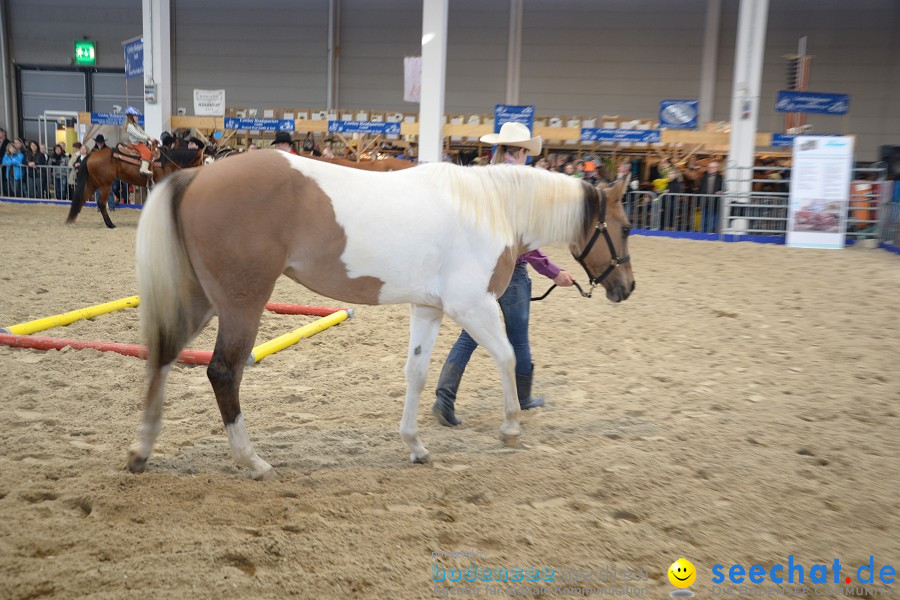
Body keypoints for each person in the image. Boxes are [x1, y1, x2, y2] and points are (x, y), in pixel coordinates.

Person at [432, 121, 576, 428]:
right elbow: (525, 242)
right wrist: (554, 273)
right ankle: (522, 398)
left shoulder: (482, 176)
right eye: (525, 152)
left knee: (470, 334)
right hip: (510, 271)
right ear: (523, 151)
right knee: (519, 338)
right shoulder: (517, 183)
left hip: (477, 269)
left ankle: (444, 398)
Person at [123, 107, 154, 175]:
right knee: (147, 151)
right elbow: (138, 135)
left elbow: (142, 132)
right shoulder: (130, 126)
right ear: (131, 117)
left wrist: (149, 137)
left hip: (141, 142)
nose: (137, 117)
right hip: (136, 144)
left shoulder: (135, 125)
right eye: (136, 116)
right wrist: (148, 138)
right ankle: (143, 168)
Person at [697, 160, 724, 233]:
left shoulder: (721, 178)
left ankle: (712, 235)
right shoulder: (704, 177)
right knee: (704, 221)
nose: (711, 169)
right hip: (705, 202)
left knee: (713, 222)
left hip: (715, 203)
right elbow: (700, 188)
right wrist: (699, 200)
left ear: (716, 168)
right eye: (710, 167)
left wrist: (720, 192)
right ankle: (703, 235)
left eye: (713, 167)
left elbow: (724, 189)